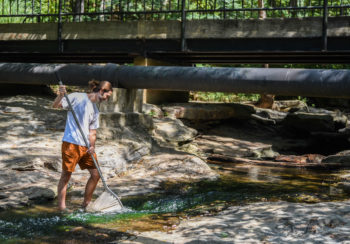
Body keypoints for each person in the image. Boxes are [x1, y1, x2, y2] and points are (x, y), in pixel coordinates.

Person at [52, 80, 113, 212]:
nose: (107, 99)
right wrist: (61, 95)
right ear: (102, 91)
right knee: (66, 175)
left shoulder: (95, 110)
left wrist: (92, 146)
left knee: (96, 174)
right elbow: (56, 105)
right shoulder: (77, 97)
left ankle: (86, 204)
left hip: (86, 147)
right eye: (107, 96)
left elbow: (93, 132)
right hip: (71, 143)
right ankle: (62, 208)